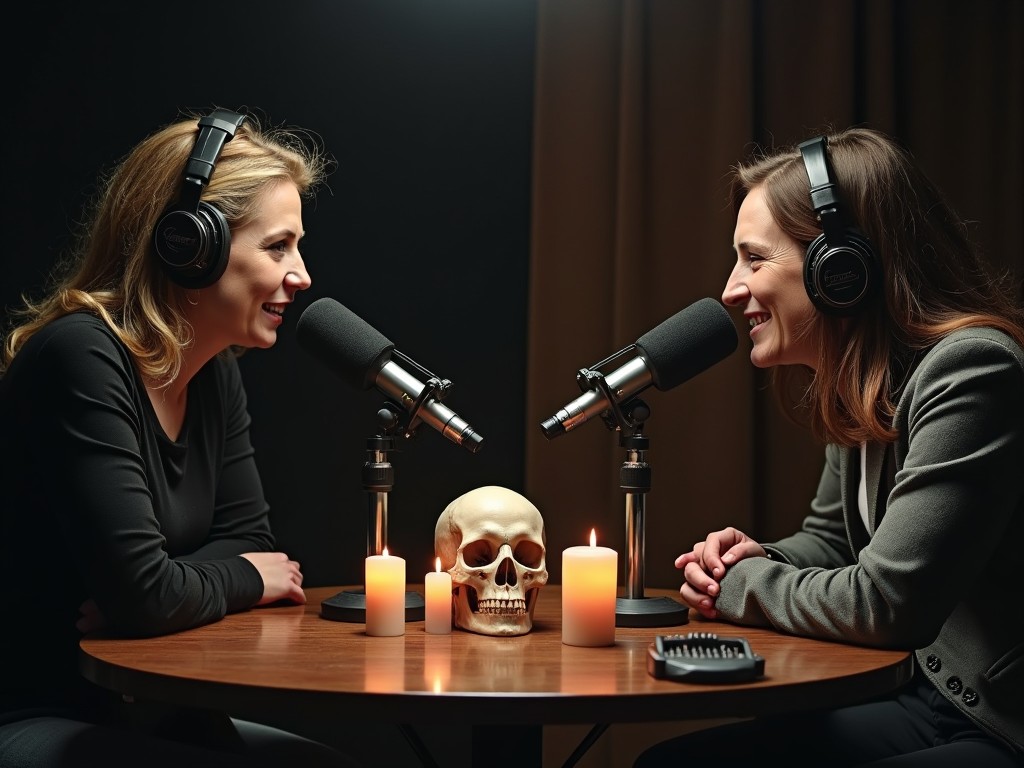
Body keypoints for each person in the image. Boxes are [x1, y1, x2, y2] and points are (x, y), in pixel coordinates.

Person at [634, 127, 1024, 767]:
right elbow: (837, 543)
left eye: (755, 259)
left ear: (841, 269)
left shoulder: (973, 373)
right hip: (923, 699)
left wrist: (741, 584)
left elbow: (886, 604)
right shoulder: (864, 382)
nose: (731, 290)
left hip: (997, 723)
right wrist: (760, 556)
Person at [0, 108, 360, 767]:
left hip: (158, 716)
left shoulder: (212, 372)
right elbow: (151, 593)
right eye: (278, 246)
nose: (301, 275)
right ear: (189, 245)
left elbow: (250, 542)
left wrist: (163, 592)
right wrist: (166, 593)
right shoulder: (81, 357)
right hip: (38, 713)